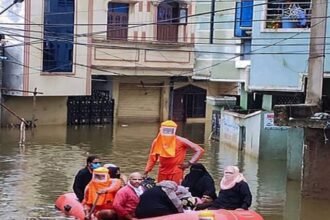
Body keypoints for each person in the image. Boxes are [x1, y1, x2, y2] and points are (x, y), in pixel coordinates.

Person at [144, 120, 204, 184]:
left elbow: (199, 150)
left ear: (174, 131)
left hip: (176, 170)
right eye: (165, 130)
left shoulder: (181, 140)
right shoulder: (157, 141)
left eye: (170, 131)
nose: (167, 133)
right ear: (161, 130)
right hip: (162, 171)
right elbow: (152, 157)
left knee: (176, 190)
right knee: (162, 191)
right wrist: (147, 170)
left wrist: (189, 163)